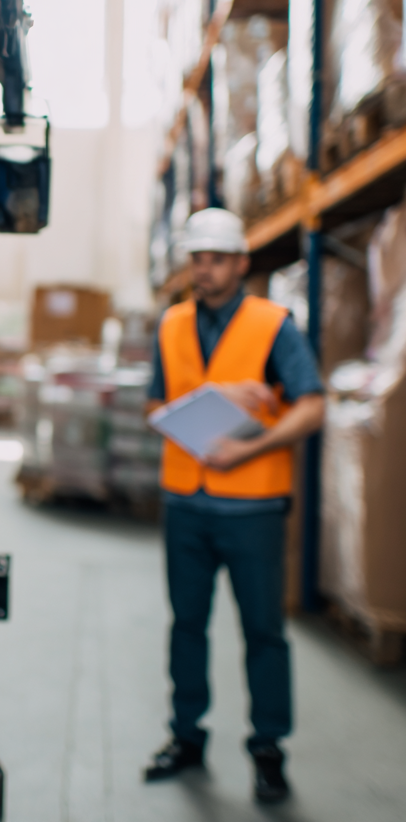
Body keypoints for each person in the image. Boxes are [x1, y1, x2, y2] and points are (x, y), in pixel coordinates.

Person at [143, 208, 325, 804]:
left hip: (253, 508)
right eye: (198, 258)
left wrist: (251, 447)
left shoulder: (275, 327)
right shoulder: (170, 325)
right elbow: (155, 408)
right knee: (186, 626)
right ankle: (185, 736)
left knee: (263, 631)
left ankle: (268, 749)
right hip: (186, 506)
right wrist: (214, 399)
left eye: (217, 259)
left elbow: (311, 406)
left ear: (242, 263)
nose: (205, 270)